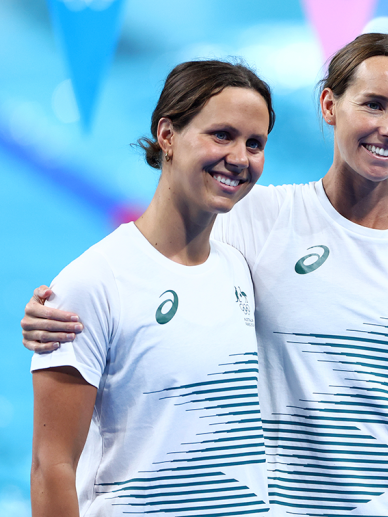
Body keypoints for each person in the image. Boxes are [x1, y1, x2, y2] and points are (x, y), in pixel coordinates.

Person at [24, 34, 388, 516]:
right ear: (329, 105)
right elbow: (145, 260)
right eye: (373, 104)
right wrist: (54, 310)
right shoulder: (254, 219)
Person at [30, 60, 274, 516]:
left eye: (255, 143)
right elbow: (51, 465)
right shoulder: (94, 281)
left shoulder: (241, 268)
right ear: (167, 136)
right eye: (222, 135)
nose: (240, 158)